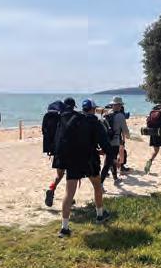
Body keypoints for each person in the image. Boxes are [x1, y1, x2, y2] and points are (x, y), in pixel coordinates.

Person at [57, 98, 114, 238]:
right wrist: (108, 154)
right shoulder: (94, 122)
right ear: (93, 109)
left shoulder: (73, 119)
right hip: (89, 160)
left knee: (69, 193)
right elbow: (104, 143)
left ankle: (64, 228)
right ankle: (100, 215)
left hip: (72, 160)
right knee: (97, 186)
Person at [45, 97, 76, 207]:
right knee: (71, 176)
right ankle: (69, 197)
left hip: (58, 151)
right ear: (73, 106)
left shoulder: (59, 116)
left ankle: (51, 189)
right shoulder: (74, 117)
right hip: (71, 151)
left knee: (59, 175)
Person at [100, 96, 130, 186]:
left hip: (105, 141)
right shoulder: (121, 116)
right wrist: (128, 136)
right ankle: (100, 184)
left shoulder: (106, 114)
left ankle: (115, 179)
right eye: (120, 105)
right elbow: (125, 130)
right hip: (114, 142)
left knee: (112, 159)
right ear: (120, 105)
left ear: (112, 105)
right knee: (108, 163)